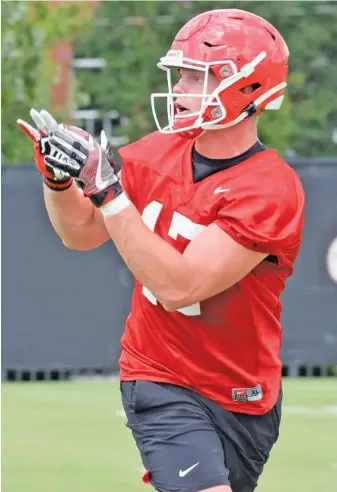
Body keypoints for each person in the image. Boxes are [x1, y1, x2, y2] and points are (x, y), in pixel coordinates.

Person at [18, 8, 305, 492]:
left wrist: (107, 191)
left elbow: (181, 284)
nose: (181, 89)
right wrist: (59, 180)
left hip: (244, 393)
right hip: (160, 374)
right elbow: (81, 233)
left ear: (249, 87)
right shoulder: (155, 152)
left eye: (198, 76)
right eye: (182, 76)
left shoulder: (270, 188)